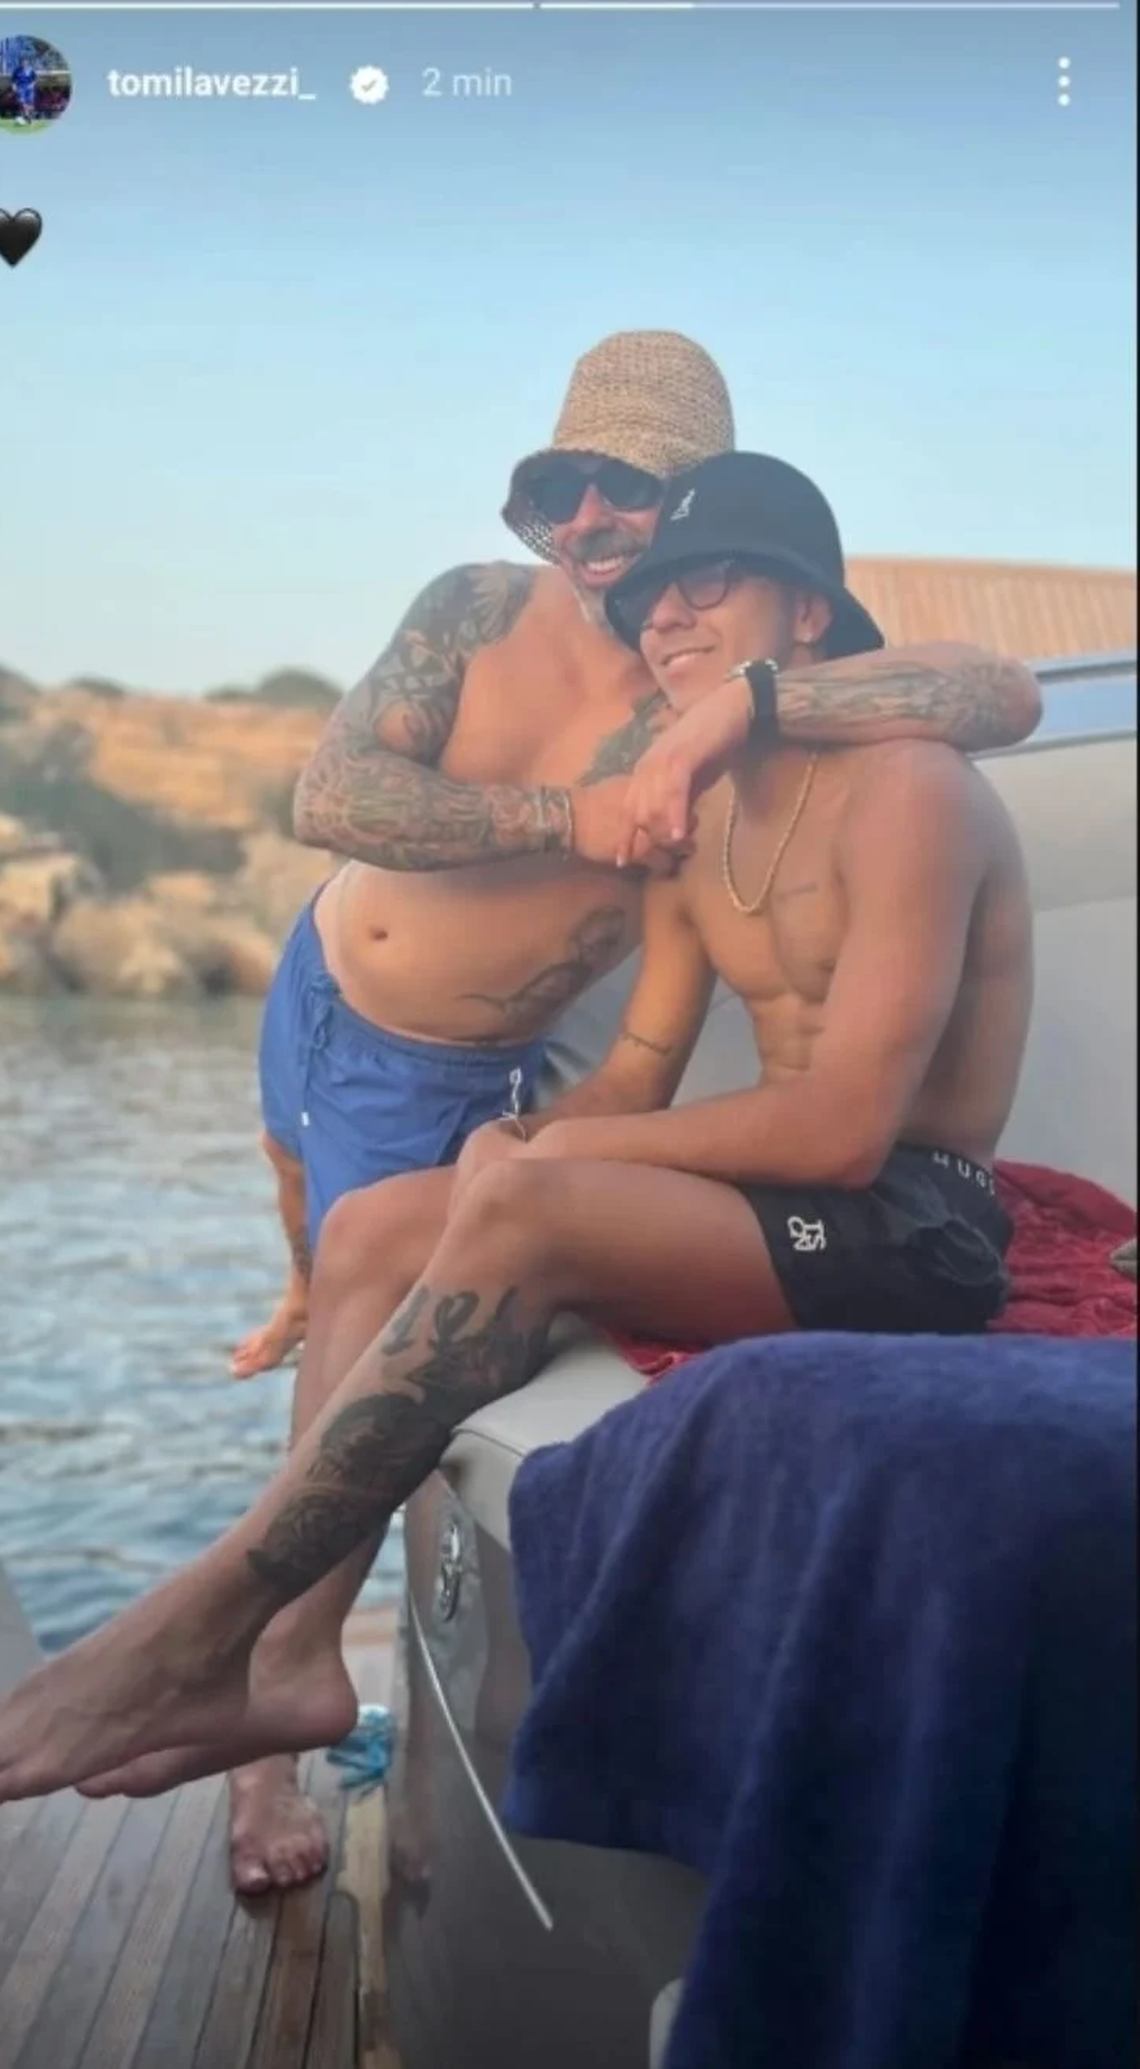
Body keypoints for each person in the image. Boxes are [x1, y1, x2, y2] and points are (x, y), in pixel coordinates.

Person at [0, 450, 1036, 1822]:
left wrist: (547, 1167)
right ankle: (292, 1659)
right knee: (373, 1226)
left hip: (911, 1226)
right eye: (650, 600)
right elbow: (635, 1073)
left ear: (807, 612)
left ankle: (183, 1627)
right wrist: (521, 1139)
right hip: (789, 1204)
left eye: (707, 584)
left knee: (528, 1199)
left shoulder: (910, 786)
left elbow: (841, 1131)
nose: (666, 618)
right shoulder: (703, 821)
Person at [220, 330, 1040, 1894]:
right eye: (560, 490)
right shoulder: (480, 613)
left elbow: (993, 691)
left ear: (718, 526)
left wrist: (737, 707)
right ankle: (273, 1676)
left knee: (428, 1251)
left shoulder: (796, 725)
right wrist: (573, 812)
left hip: (502, 1076)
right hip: (321, 988)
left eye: (634, 500)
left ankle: (257, 1672)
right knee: (339, 1256)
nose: (594, 528)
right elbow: (331, 797)